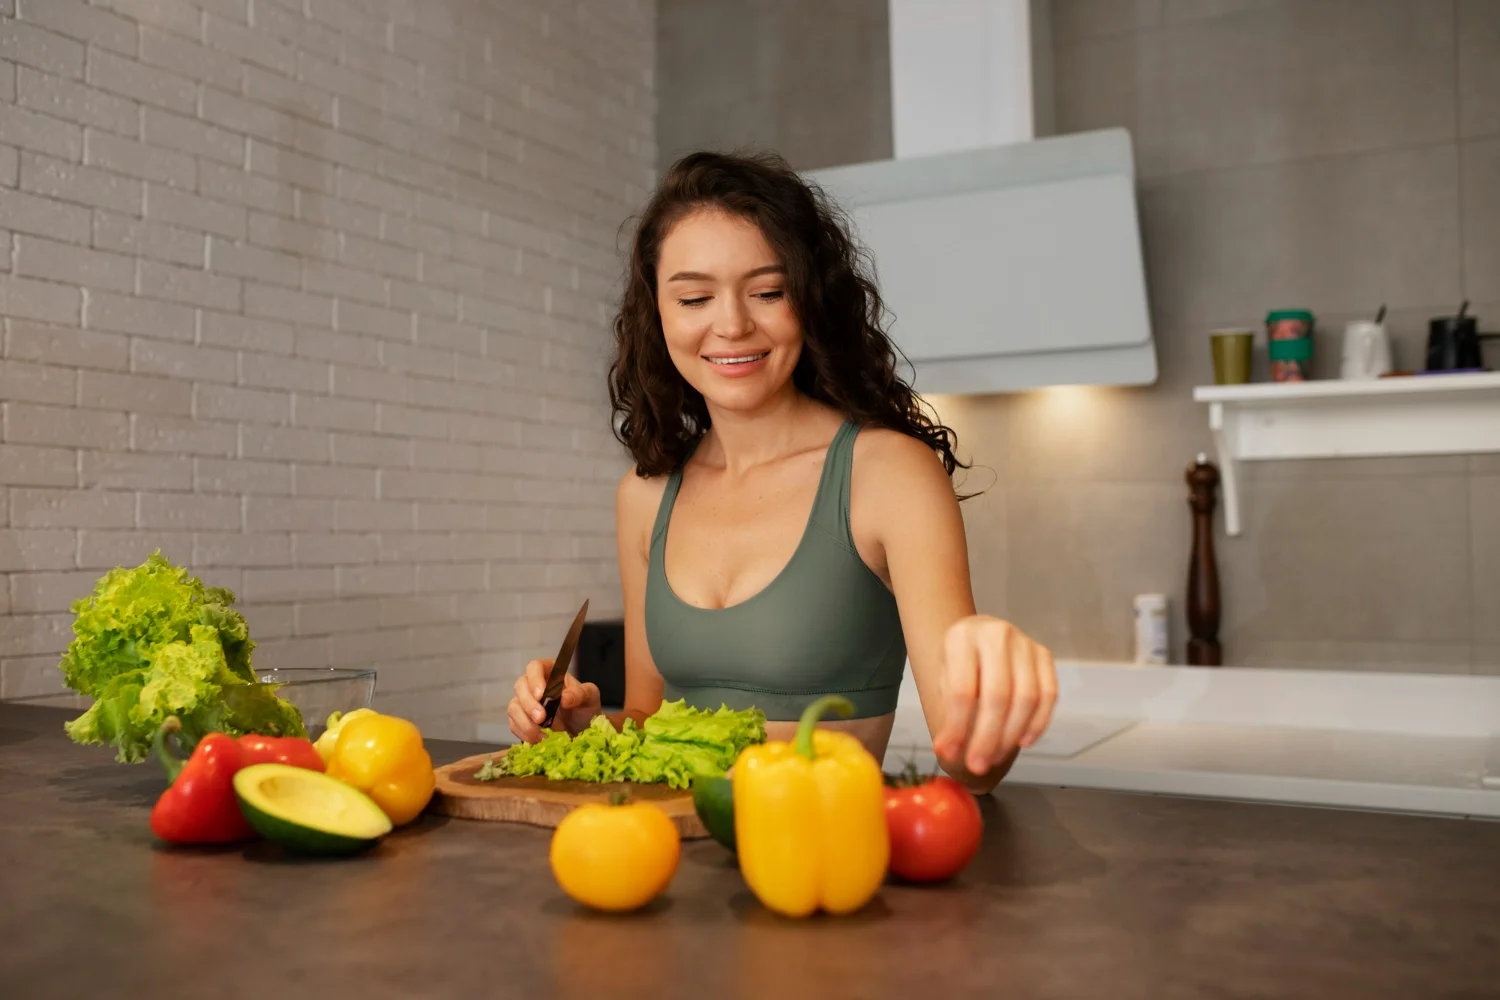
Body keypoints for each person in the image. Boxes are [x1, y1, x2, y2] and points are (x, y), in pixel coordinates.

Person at [508, 150, 1056, 792]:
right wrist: (582, 725)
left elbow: (969, 767)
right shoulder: (645, 494)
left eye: (769, 292)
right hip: (667, 867)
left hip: (815, 865)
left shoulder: (887, 474)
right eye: (693, 297)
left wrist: (996, 690)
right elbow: (649, 723)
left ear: (811, 298)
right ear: (657, 313)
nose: (733, 325)